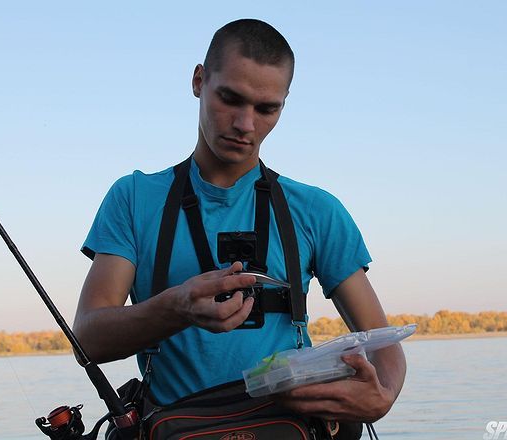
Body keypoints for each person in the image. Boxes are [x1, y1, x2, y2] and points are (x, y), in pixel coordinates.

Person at [73, 18, 406, 425]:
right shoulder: (133, 198)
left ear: (283, 104)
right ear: (198, 80)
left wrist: (383, 395)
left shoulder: (317, 210)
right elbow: (87, 339)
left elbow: (382, 339)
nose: (246, 124)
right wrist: (176, 307)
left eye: (267, 108)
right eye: (230, 98)